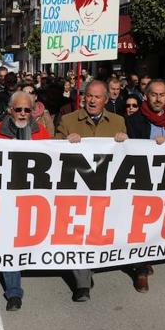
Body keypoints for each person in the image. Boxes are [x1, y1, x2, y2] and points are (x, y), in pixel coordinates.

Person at [55, 80, 127, 302]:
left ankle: (90, 268)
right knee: (80, 235)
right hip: (77, 190)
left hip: (105, 191)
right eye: (89, 96)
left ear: (106, 99)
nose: (92, 100)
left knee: (98, 233)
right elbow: (52, 150)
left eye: (97, 97)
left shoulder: (118, 121)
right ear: (83, 97)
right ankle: (82, 284)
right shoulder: (68, 120)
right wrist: (65, 142)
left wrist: (124, 141)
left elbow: (127, 156)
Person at [0, 90, 51, 311]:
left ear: (33, 111)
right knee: (9, 242)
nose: (23, 114)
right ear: (10, 110)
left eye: (27, 109)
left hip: (34, 198)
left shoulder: (41, 133)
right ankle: (14, 292)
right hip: (5, 198)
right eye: (18, 109)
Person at [125, 79, 165, 292]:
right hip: (143, 182)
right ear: (146, 95)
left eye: (162, 94)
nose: (158, 99)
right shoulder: (134, 121)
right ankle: (141, 270)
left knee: (162, 223)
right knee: (141, 226)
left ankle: (155, 256)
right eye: (153, 94)